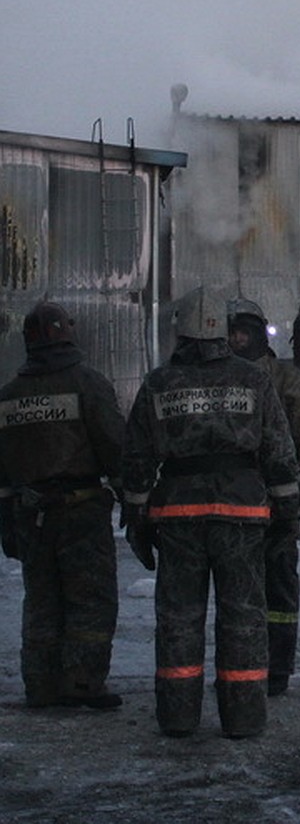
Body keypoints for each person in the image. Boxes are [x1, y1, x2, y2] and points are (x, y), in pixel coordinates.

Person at [122, 286, 300, 739]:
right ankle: (243, 718)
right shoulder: (254, 379)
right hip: (242, 514)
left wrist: (138, 519)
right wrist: (287, 511)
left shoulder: (159, 383)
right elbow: (279, 451)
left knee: (179, 617)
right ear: (223, 330)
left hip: (179, 516)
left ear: (179, 330)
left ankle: (178, 717)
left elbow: (138, 460)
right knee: (243, 616)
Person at [0, 302, 125, 710]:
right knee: (89, 599)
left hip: (30, 514)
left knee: (41, 599)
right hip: (81, 511)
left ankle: (40, 684)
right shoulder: (87, 383)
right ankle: (83, 682)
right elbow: (113, 445)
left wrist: (7, 518)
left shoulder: (10, 394)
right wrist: (133, 498)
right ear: (68, 334)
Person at [227, 299, 300, 697]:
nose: (237, 340)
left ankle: (277, 667)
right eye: (232, 332)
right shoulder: (218, 377)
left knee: (280, 588)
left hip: (277, 503)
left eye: (244, 332)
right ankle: (239, 665)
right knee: (237, 589)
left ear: (259, 335)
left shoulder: (285, 380)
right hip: (232, 502)